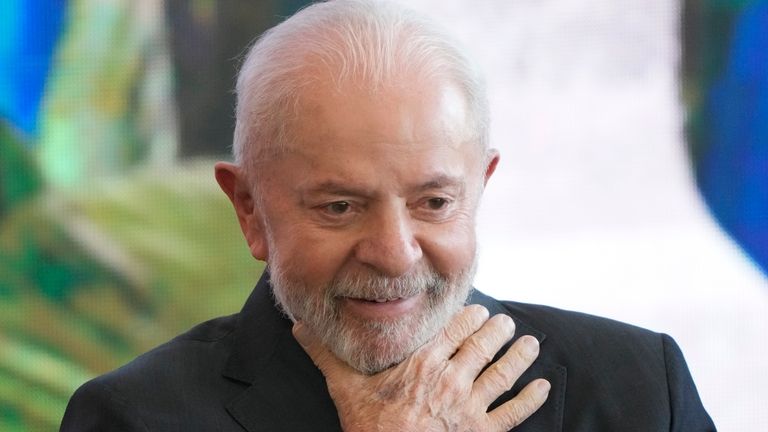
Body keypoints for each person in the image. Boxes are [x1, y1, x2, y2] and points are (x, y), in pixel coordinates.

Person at [60, 1, 716, 430]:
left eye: (434, 202)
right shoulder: (133, 418)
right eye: (340, 207)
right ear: (250, 209)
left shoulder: (637, 391)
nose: (395, 252)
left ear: (479, 189)